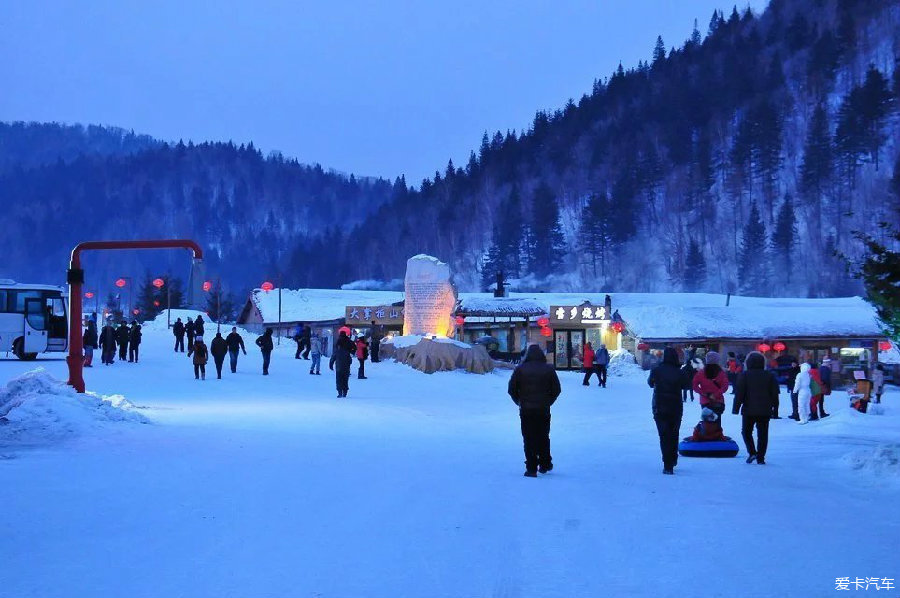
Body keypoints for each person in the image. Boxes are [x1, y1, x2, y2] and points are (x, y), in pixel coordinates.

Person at [508, 344, 561, 477]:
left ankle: (531, 468)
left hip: (526, 410)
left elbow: (511, 389)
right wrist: (548, 401)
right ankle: (545, 463)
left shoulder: (520, 369)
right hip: (543, 409)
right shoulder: (548, 369)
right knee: (543, 436)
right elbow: (557, 389)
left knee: (529, 437)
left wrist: (519, 402)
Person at [733, 351, 780, 464]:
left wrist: (736, 408)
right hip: (765, 409)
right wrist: (775, 409)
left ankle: (752, 452)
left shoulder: (744, 375)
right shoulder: (770, 375)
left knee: (746, 432)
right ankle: (761, 457)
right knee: (763, 434)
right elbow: (775, 394)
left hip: (748, 409)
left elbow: (740, 393)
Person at [648, 347, 686, 475]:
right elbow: (686, 385)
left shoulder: (657, 370)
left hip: (660, 406)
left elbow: (650, 383)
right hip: (676, 407)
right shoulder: (679, 372)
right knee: (674, 434)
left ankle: (667, 464)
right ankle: (673, 458)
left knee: (664, 435)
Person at [692, 351, 729, 418]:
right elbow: (725, 386)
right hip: (718, 400)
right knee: (717, 422)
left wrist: (703, 393)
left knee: (706, 423)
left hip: (705, 401)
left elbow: (694, 385)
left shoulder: (701, 373)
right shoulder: (721, 373)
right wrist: (716, 395)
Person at [329, 331, 354, 397]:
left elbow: (333, 357)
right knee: (345, 379)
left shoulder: (338, 347)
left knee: (339, 379)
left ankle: (339, 392)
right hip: (346, 365)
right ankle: (345, 392)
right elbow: (353, 349)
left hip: (339, 366)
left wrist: (331, 364)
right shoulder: (348, 343)